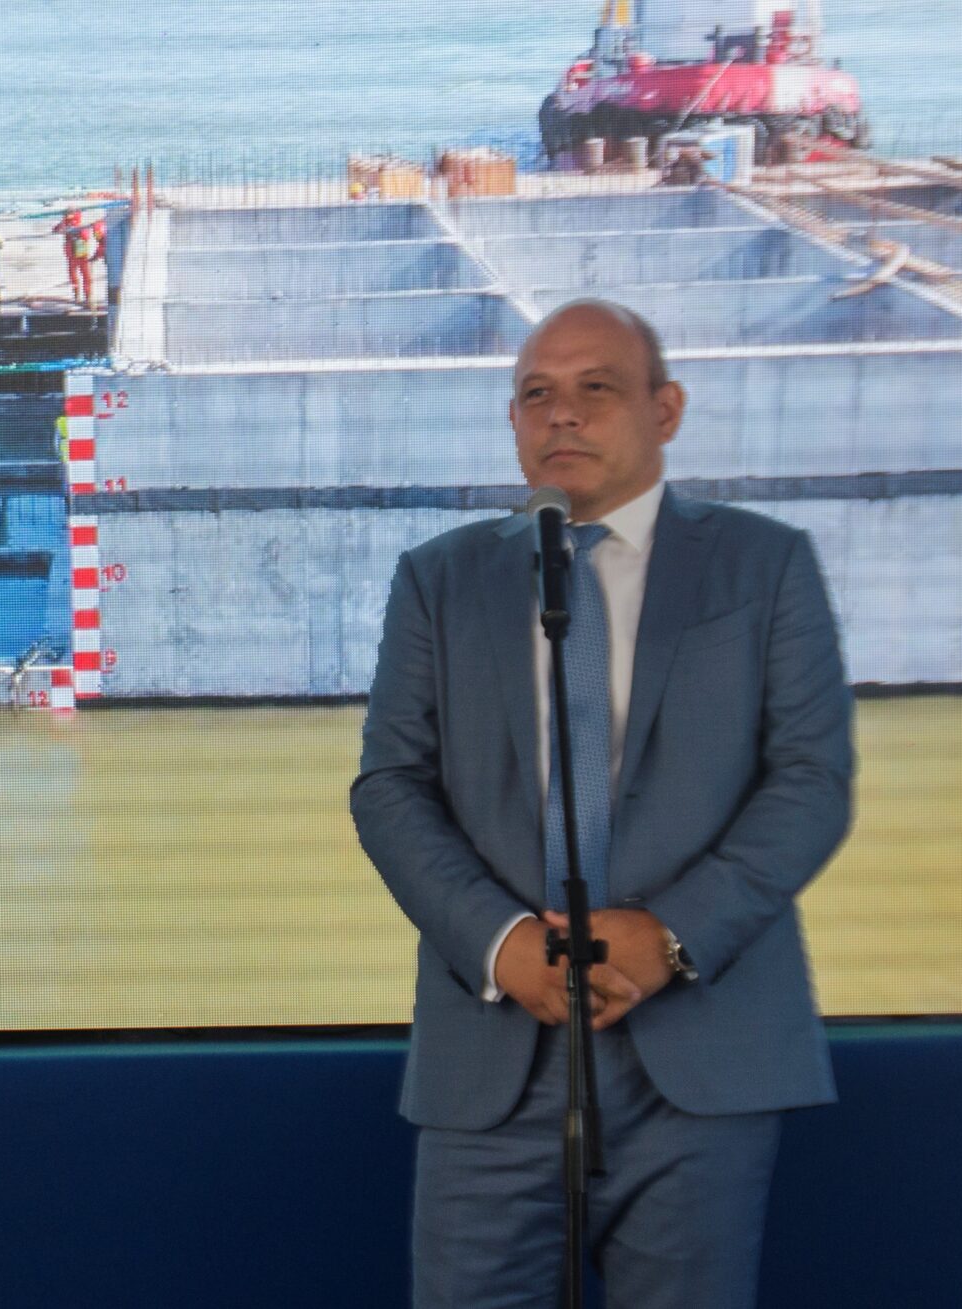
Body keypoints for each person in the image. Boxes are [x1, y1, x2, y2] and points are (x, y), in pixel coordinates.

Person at [349, 298, 853, 1309]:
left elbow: (809, 780)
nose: (563, 415)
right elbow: (390, 787)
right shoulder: (439, 579)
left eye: (596, 389)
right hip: (493, 1055)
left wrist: (667, 935)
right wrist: (502, 943)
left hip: (701, 1051)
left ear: (665, 410)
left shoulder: (764, 564)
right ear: (512, 421)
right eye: (537, 394)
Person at [51, 209, 95, 308]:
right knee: (74, 275)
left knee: (85, 275)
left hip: (80, 252)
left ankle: (87, 297)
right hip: (72, 253)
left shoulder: (79, 224)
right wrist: (64, 226)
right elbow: (55, 229)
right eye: (67, 214)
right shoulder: (64, 223)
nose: (67, 216)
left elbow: (85, 235)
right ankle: (77, 296)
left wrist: (74, 230)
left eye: (69, 214)